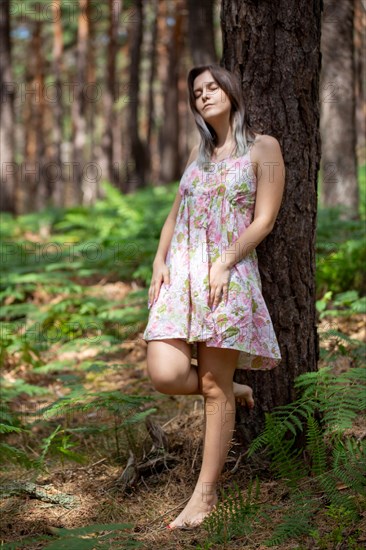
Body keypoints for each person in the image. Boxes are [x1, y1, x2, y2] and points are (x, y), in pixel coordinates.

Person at [142, 64, 285, 530]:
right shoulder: (199, 152)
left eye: (212, 86)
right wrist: (159, 261)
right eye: (197, 91)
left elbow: (263, 220)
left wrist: (224, 261)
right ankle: (233, 387)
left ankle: (204, 497)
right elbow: (174, 213)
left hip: (228, 275)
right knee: (164, 373)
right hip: (180, 277)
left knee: (210, 387)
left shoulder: (264, 147)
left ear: (231, 91)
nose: (204, 95)